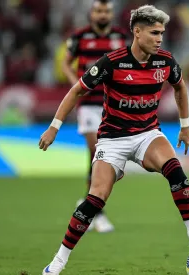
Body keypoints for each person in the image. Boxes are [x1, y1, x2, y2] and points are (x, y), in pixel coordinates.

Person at [39, 5, 189, 274]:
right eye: (154, 33)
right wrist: (54, 127)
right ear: (137, 32)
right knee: (95, 199)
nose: (160, 38)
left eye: (162, 33)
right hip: (111, 139)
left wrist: (185, 126)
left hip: (147, 134)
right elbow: (76, 92)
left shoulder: (165, 61)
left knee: (176, 172)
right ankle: (59, 260)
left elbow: (180, 87)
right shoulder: (112, 62)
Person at [62, 0, 128, 233]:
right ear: (92, 13)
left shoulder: (122, 37)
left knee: (104, 157)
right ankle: (98, 212)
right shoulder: (79, 37)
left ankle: (87, 203)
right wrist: (77, 85)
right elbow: (66, 64)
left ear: (111, 14)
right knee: (96, 150)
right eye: (99, 11)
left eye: (106, 11)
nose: (102, 14)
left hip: (113, 104)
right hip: (89, 105)